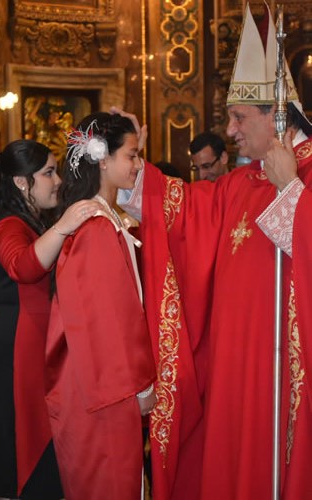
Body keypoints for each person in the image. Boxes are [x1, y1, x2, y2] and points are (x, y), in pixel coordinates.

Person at [115, 3, 312, 499]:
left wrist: (293, 192)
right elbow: (185, 212)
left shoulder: (302, 175)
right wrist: (130, 166)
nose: (230, 131)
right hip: (235, 372)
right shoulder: (241, 181)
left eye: (239, 117)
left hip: (288, 380)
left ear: (278, 113)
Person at [44, 111, 157, 500]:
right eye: (132, 154)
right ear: (103, 160)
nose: (138, 164)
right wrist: (140, 384)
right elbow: (110, 322)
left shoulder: (107, 217)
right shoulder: (95, 227)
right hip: (104, 390)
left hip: (104, 385)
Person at [0, 139, 95, 499]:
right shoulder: (8, 225)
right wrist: (63, 226)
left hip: (32, 346)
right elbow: (23, 266)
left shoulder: (28, 222)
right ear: (21, 181)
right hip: (19, 352)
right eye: (47, 172)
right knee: (28, 457)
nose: (57, 180)